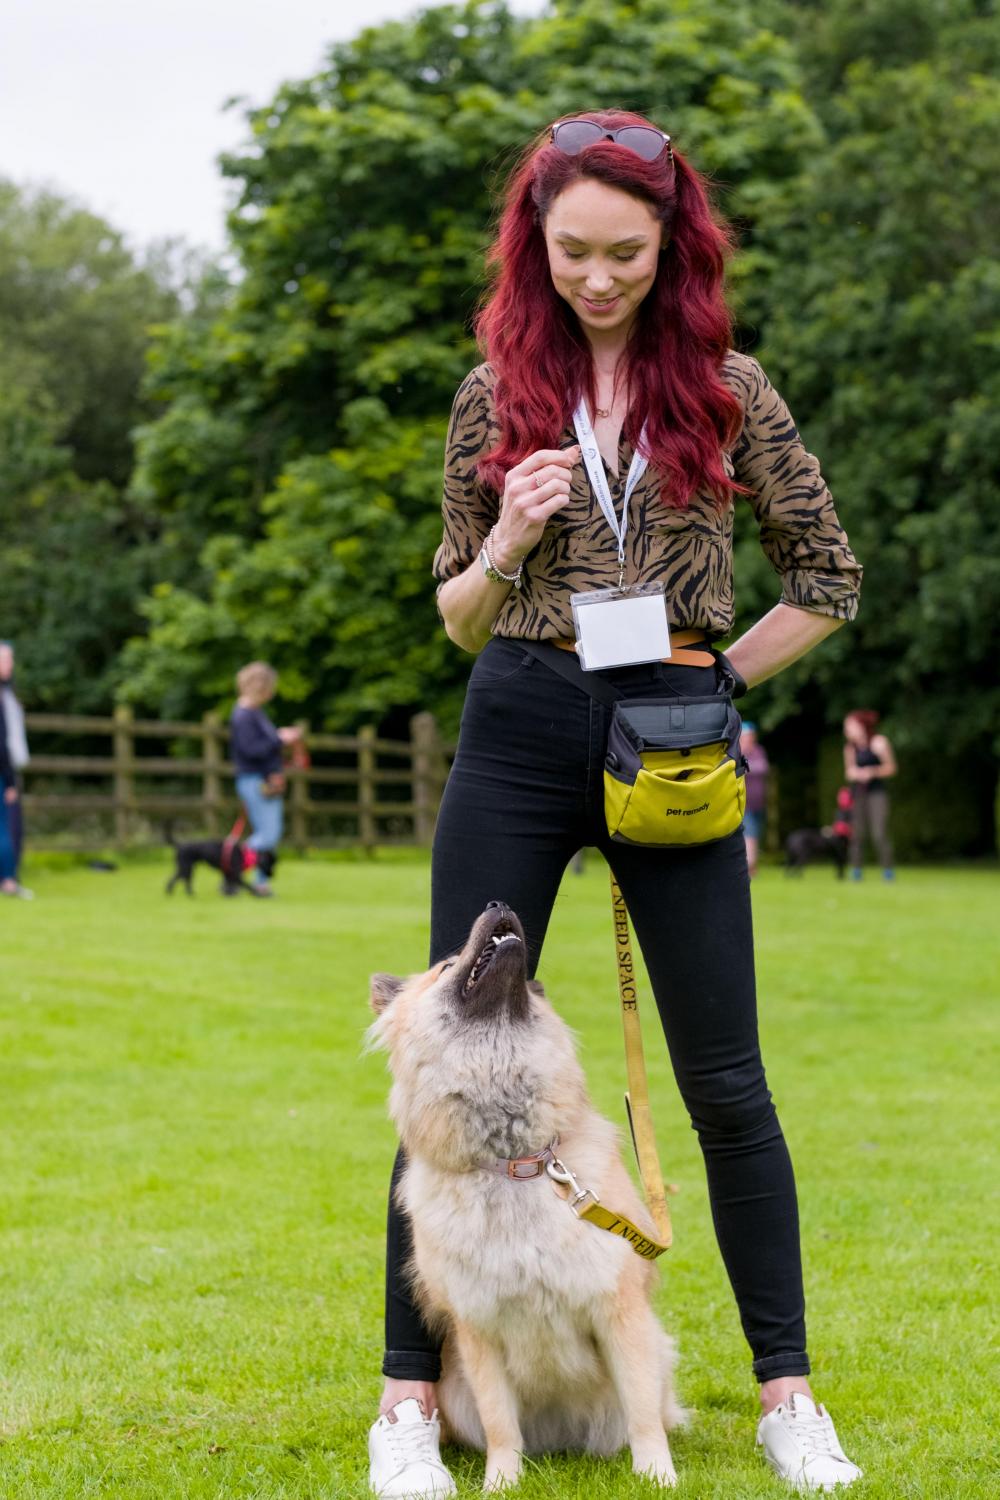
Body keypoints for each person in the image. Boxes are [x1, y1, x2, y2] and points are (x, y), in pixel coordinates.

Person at [367, 111, 864, 1497]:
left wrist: (720, 685)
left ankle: (787, 1398)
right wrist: (514, 537)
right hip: (520, 720)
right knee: (441, 1068)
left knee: (728, 1083)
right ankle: (411, 1404)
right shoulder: (490, 395)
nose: (597, 277)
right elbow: (459, 617)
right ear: (537, 246)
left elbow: (827, 575)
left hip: (675, 739)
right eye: (572, 251)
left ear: (674, 246)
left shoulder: (727, 389)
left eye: (625, 254)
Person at [229, 662, 301, 895]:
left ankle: (259, 882)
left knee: (268, 833)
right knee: (268, 834)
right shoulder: (244, 716)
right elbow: (251, 750)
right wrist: (280, 738)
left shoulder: (255, 713)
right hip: (254, 780)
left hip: (265, 780)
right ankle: (234, 872)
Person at [843, 710, 896, 880]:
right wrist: (857, 774)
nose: (847, 730)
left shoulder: (879, 743)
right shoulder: (850, 748)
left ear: (861, 725)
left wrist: (872, 772)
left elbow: (891, 768)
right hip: (858, 793)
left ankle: (887, 870)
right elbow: (849, 772)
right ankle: (856, 870)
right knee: (857, 833)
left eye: (849, 725)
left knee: (879, 832)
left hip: (877, 793)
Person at [0, 641, 32, 900]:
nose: (9, 665)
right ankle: (8, 880)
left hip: (8, 767)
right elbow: (2, 742)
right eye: (5, 659)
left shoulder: (8, 694)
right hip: (3, 770)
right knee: (6, 828)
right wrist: (10, 779)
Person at [740, 720, 770, 877]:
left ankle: (752, 866)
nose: (749, 740)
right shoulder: (737, 753)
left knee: (755, 834)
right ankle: (749, 867)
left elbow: (764, 767)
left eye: (751, 736)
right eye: (745, 737)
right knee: (750, 835)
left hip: (759, 803)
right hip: (744, 802)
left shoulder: (759, 751)